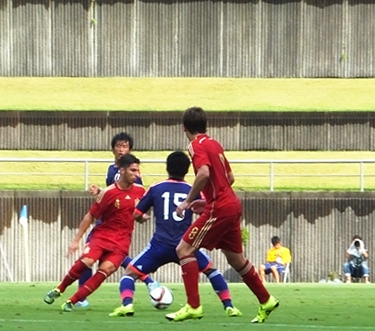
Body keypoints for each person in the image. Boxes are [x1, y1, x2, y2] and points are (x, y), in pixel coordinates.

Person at [168, 106, 279, 322]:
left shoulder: (195, 145)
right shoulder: (214, 144)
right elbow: (230, 177)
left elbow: (204, 172)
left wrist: (189, 200)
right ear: (205, 125)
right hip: (232, 205)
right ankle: (266, 300)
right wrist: (206, 199)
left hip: (220, 207)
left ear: (184, 127)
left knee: (183, 249)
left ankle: (193, 306)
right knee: (237, 260)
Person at [109, 151, 242, 318]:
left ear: (167, 168)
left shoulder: (156, 188)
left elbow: (136, 214)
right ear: (187, 170)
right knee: (212, 271)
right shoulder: (193, 190)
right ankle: (229, 306)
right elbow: (206, 210)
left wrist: (143, 218)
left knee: (130, 273)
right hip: (186, 246)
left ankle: (127, 305)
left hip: (159, 246)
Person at [44, 153, 145, 312]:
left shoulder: (140, 191)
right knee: (88, 262)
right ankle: (59, 289)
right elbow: (91, 216)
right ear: (123, 170)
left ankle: (72, 301)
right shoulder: (108, 193)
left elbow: (139, 214)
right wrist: (76, 240)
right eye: (133, 170)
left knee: (105, 270)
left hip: (122, 242)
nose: (136, 174)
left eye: (138, 171)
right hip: (102, 236)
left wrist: (142, 217)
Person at [76, 132, 157, 308]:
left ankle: (81, 296)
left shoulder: (132, 172)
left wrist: (140, 214)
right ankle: (150, 282)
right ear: (113, 148)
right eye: (118, 146)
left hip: (117, 224)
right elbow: (113, 193)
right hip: (107, 220)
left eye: (125, 146)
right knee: (106, 257)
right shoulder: (112, 169)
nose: (121, 149)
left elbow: (138, 194)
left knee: (92, 256)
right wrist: (100, 192)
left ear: (130, 149)